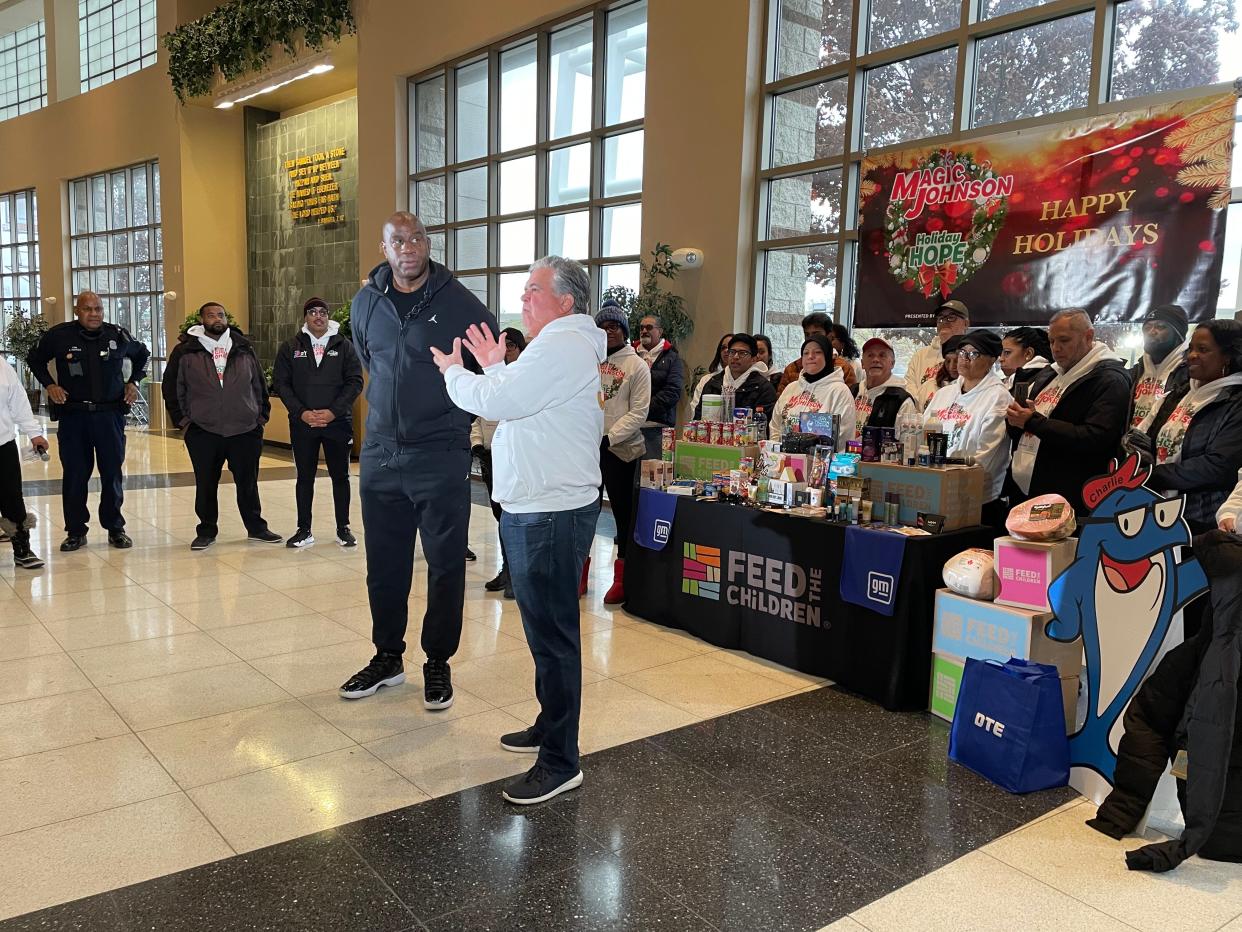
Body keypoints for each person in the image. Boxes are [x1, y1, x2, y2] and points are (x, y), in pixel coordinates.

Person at [432, 255, 603, 806]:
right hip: (540, 504)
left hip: (549, 511)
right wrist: (492, 365)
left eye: (534, 290)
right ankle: (550, 724)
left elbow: (501, 402)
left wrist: (456, 373)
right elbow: (523, 400)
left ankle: (560, 760)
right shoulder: (561, 346)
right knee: (543, 632)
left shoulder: (563, 344)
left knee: (552, 637)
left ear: (567, 301)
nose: (524, 300)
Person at [339, 212, 499, 708]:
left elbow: (489, 371)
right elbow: (370, 362)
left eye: (415, 239)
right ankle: (387, 656)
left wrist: (450, 419)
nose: (407, 248)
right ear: (384, 249)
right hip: (382, 454)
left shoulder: (461, 305)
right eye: (396, 241)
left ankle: (438, 661)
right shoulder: (366, 301)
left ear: (427, 244)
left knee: (445, 564)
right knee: (383, 566)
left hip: (440, 454)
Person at [26, 290, 149, 551]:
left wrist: (134, 381)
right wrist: (49, 385)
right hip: (74, 417)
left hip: (109, 416)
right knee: (75, 475)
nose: (94, 314)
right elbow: (33, 359)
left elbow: (142, 355)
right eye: (88, 309)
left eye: (98, 309)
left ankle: (115, 528)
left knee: (112, 474)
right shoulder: (59, 335)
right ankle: (75, 531)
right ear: (76, 311)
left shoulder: (116, 335)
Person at [163, 302, 283, 551]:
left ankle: (256, 528)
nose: (217, 318)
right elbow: (173, 389)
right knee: (206, 482)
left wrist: (261, 417)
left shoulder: (242, 347)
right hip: (204, 431)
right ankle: (206, 530)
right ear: (201, 320)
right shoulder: (185, 351)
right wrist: (184, 422)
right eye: (211, 315)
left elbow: (259, 384)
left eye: (221, 314)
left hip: (245, 429)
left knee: (248, 482)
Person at [1006, 309, 1131, 516]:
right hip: (1028, 489)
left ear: (1088, 336)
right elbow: (1020, 429)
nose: (1056, 348)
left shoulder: (1110, 379)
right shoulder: (1050, 373)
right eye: (1052, 341)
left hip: (1072, 496)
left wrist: (1033, 422)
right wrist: (1015, 419)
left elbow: (1097, 437)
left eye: (1064, 340)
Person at [272, 297, 364, 549]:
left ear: (328, 316)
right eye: (313, 312)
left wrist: (333, 412)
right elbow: (281, 383)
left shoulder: (344, 345)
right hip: (303, 424)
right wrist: (301, 412)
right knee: (305, 477)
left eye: (323, 312)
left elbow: (355, 381)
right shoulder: (291, 346)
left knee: (340, 477)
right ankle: (304, 529)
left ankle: (343, 528)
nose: (318, 316)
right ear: (305, 317)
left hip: (337, 423)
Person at [1140, 320, 1242, 533]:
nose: (1192, 356)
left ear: (1228, 356)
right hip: (1155, 509)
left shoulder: (1235, 401)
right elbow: (1146, 440)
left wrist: (1153, 475)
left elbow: (1219, 466)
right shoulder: (1178, 394)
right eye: (1191, 349)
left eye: (1203, 350)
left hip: (1201, 520)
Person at [923, 330, 1013, 531]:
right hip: (936, 489)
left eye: (974, 354)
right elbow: (922, 432)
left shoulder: (998, 397)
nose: (964, 359)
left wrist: (945, 466)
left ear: (991, 360)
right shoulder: (945, 393)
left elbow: (985, 456)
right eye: (962, 352)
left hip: (976, 499)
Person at [594, 301, 651, 604]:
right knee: (585, 513)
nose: (609, 331)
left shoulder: (637, 365)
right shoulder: (589, 361)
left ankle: (623, 577)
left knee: (622, 514)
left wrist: (610, 437)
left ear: (625, 331)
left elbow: (639, 411)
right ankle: (579, 573)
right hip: (588, 449)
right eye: (603, 326)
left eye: (614, 326)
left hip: (622, 450)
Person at [472, 327, 527, 600]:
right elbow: (477, 417)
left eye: (510, 346)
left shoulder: (527, 375)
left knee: (514, 518)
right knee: (500, 516)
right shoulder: (492, 378)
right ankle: (508, 569)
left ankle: (519, 575)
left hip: (516, 459)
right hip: (490, 457)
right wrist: (477, 445)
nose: (505, 352)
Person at [0, 359, 49, 569]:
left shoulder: (2, 366)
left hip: (2, 443)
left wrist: (35, 433)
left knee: (11, 497)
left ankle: (22, 548)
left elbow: (18, 401)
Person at [770, 334, 855, 446]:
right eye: (806, 353)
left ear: (828, 357)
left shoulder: (839, 391)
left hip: (821, 460)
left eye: (817, 352)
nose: (810, 356)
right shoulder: (791, 388)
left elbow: (843, 436)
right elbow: (775, 426)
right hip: (784, 460)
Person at [694, 333, 778, 429]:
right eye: (732, 352)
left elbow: (765, 428)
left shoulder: (763, 388)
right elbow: (697, 419)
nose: (735, 357)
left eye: (742, 353)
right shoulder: (713, 383)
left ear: (754, 359)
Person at [1128, 304, 1191, 427]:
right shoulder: (1135, 372)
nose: (1151, 332)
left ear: (1178, 334)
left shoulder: (1190, 374)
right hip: (1129, 442)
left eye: (1160, 327)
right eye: (1147, 327)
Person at [634, 313, 683, 461]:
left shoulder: (671, 357)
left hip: (658, 427)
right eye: (641, 328)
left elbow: (672, 392)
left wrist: (643, 408)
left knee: (653, 477)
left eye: (649, 327)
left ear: (660, 331)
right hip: (631, 427)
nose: (644, 331)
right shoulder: (630, 354)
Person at [905, 299, 970, 405]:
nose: (944, 322)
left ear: (966, 323)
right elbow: (909, 391)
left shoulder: (973, 355)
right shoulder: (920, 356)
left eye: (951, 317)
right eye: (940, 318)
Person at [776, 313, 855, 394]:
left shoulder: (843, 368)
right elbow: (781, 401)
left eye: (816, 334)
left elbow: (848, 400)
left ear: (829, 335)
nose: (811, 338)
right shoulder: (793, 368)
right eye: (807, 335)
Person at [854, 337, 917, 436]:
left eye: (882, 355)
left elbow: (908, 444)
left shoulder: (903, 401)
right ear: (862, 363)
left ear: (892, 363)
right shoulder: (852, 391)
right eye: (870, 355)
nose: (875, 360)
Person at [1000, 327, 1052, 397]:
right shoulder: (1016, 380)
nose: (1001, 359)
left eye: (1007, 352)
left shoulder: (1042, 380)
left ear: (1028, 353)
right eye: (1000, 353)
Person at [918, 335, 964, 410]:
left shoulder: (970, 390)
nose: (951, 366)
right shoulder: (929, 386)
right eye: (948, 361)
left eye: (956, 361)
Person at [689, 332, 732, 412]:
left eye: (730, 348)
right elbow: (695, 407)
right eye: (723, 348)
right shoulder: (707, 380)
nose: (726, 350)